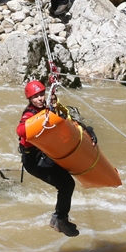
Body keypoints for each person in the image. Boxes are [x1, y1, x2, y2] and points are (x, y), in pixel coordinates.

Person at [16, 80, 79, 237]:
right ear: (30, 99)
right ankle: (59, 220)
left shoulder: (44, 107)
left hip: (43, 155)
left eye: (41, 95)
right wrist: (37, 122)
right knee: (66, 184)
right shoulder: (29, 114)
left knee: (68, 182)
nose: (40, 99)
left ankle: (59, 218)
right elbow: (20, 130)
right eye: (35, 97)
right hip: (33, 162)